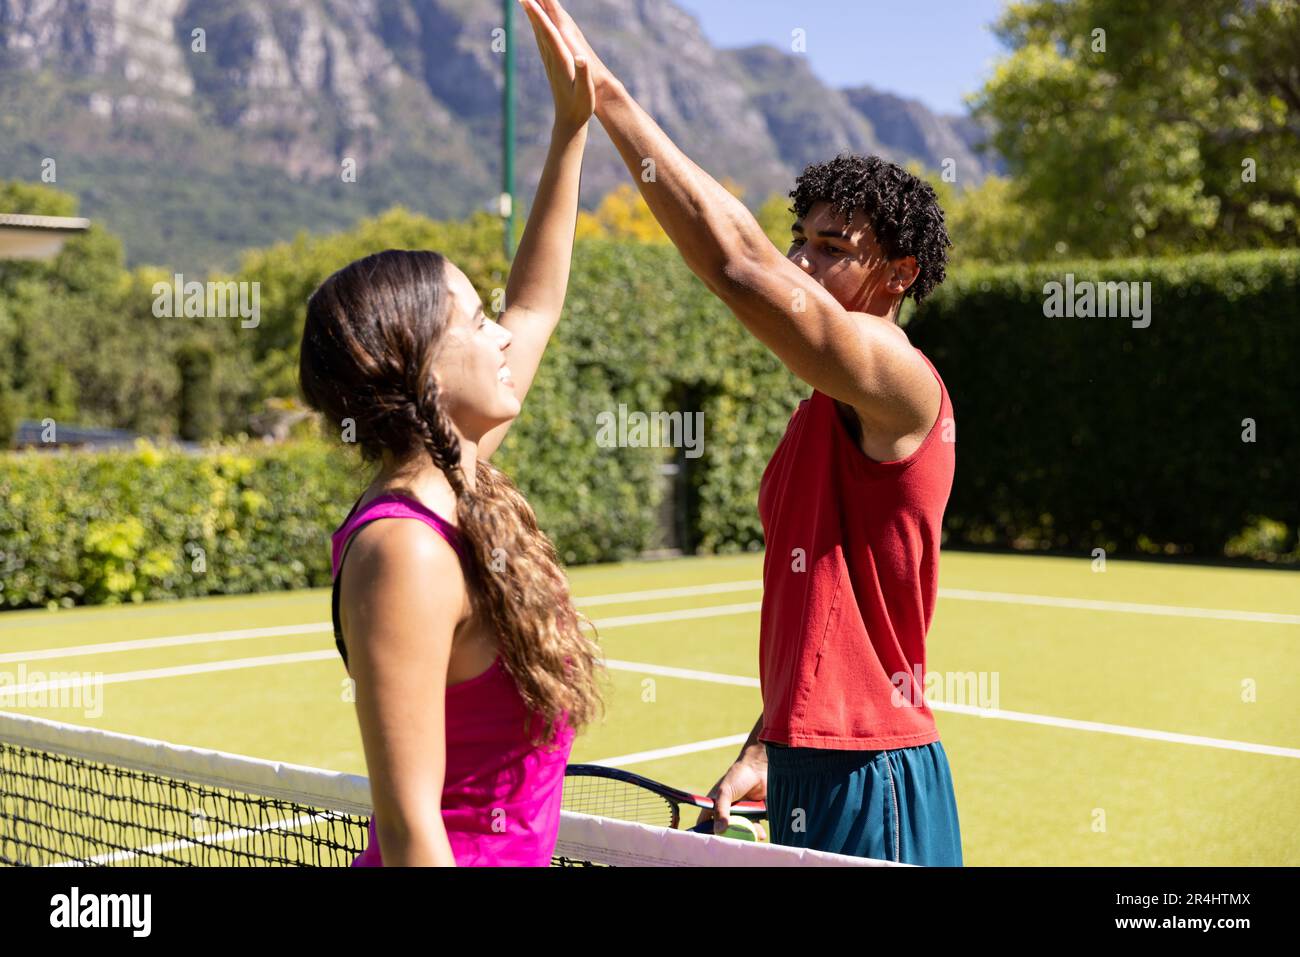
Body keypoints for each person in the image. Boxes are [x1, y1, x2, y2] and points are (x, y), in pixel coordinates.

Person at [527, 0, 962, 865]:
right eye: (799, 241)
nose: (802, 263)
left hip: (872, 769)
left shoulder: (899, 379)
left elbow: (739, 267)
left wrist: (606, 98)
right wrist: (770, 739)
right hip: (809, 758)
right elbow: (826, 617)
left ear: (899, 274)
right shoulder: (817, 413)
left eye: (833, 247)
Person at [297, 0, 601, 866]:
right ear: (423, 370)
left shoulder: (456, 477)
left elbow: (538, 303)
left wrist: (571, 129)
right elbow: (411, 829)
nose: (502, 333)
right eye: (475, 320)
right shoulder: (405, 550)